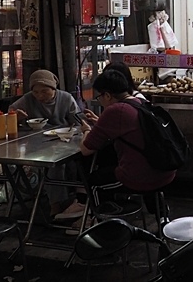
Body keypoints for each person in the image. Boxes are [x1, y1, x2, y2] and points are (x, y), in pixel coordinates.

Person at [72, 70, 176, 230]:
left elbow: (86, 150)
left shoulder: (115, 110)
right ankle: (160, 216)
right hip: (165, 171)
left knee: (92, 182)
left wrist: (86, 130)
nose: (100, 101)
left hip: (141, 177)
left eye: (99, 96)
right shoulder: (139, 102)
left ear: (107, 95)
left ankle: (103, 228)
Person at [9, 69, 82, 216]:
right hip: (36, 144)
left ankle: (57, 205)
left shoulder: (66, 99)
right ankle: (52, 202)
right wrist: (15, 117)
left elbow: (79, 122)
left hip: (64, 142)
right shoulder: (29, 99)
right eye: (36, 92)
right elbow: (11, 111)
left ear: (53, 88)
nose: (39, 96)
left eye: (44, 91)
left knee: (57, 165)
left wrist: (70, 130)